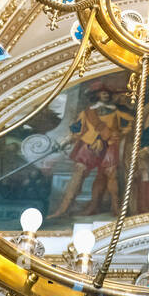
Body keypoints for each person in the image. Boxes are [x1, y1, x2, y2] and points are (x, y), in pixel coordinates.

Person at [47, 86, 133, 219]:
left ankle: (116, 207)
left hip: (110, 145)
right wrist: (65, 142)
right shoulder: (88, 113)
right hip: (88, 145)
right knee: (78, 173)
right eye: (102, 92)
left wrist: (118, 134)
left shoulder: (116, 112)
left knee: (111, 174)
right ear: (97, 94)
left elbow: (130, 125)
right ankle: (63, 208)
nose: (105, 94)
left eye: (107, 92)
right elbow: (76, 129)